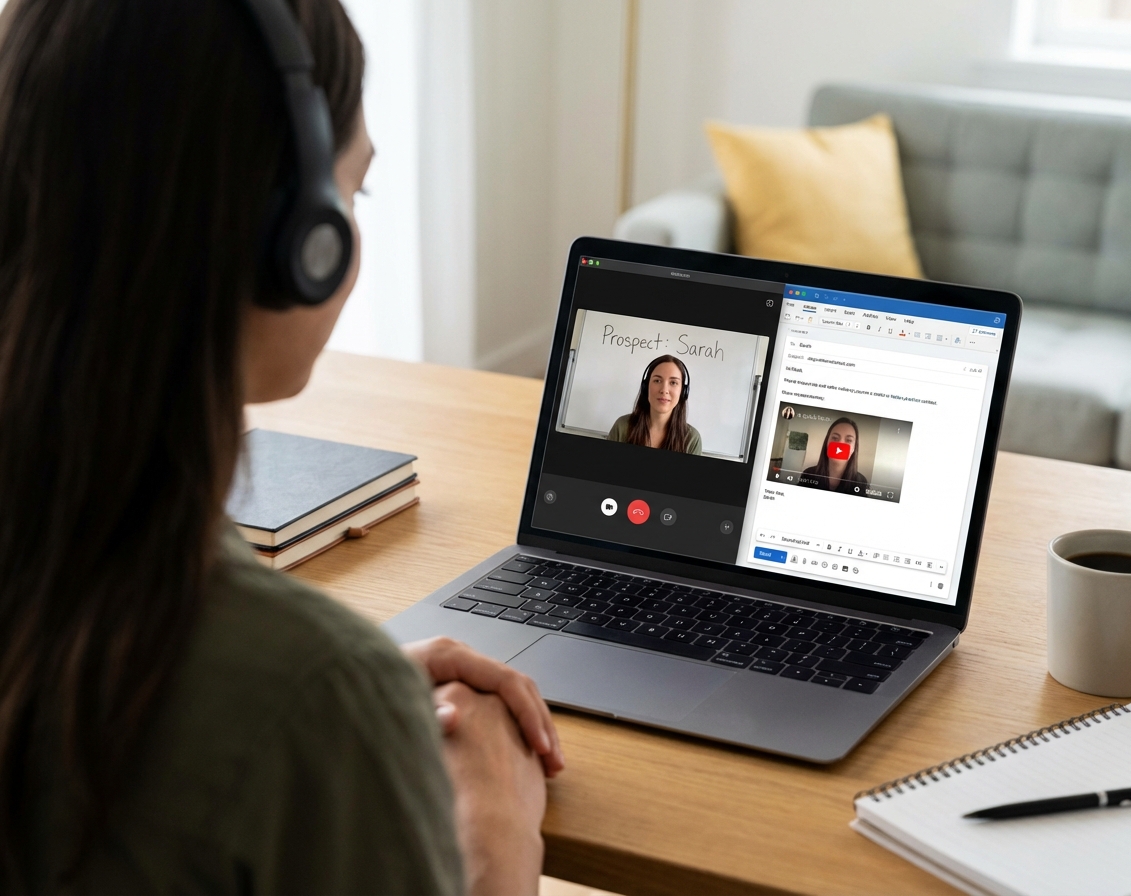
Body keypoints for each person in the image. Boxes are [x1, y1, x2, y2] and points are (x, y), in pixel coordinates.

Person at [0, 1, 561, 893]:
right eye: (354, 191)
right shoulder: (315, 701)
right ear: (301, 242)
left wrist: (333, 700)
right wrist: (494, 832)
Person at [607, 354, 702, 454]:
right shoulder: (622, 426)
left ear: (683, 391)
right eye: (657, 380)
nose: (664, 390)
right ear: (646, 387)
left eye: (673, 382)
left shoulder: (692, 439)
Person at [800, 417, 870, 494]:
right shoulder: (808, 474)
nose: (840, 444)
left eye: (849, 440)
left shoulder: (861, 482)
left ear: (854, 448)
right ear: (827, 443)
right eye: (835, 438)